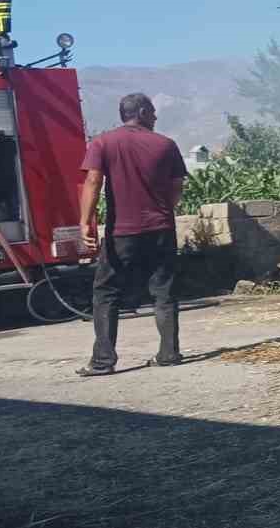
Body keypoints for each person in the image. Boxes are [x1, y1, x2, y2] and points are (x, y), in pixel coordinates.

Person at [75, 94, 189, 376]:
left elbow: (93, 181)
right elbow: (177, 186)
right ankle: (169, 354)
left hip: (122, 232)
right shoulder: (166, 144)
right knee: (164, 290)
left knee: (106, 292)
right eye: (152, 112)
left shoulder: (103, 142)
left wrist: (86, 221)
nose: (155, 117)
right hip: (161, 229)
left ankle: (103, 361)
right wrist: (163, 210)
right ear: (142, 111)